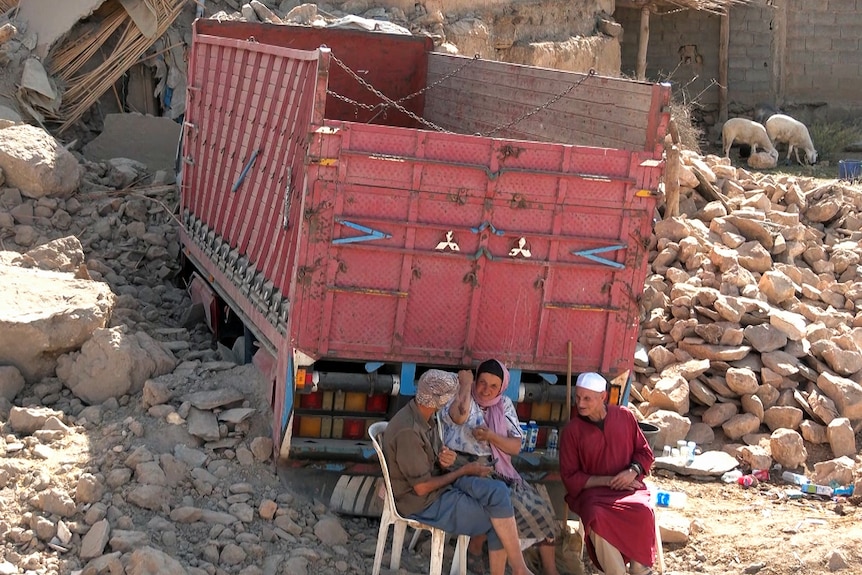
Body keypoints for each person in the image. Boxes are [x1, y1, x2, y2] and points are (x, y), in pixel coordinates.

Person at [382, 369, 536, 575]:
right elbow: (421, 488)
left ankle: (519, 569)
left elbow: (430, 459)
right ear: (440, 399)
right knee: (498, 520)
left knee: (499, 492)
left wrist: (445, 458)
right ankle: (518, 570)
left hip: (440, 482)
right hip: (422, 502)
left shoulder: (425, 415)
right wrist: (463, 470)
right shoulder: (408, 430)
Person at [442, 359, 561, 575]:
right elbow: (458, 417)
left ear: (502, 388)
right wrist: (466, 386)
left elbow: (515, 446)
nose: (486, 390)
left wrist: (491, 436)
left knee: (540, 507)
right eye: (482, 383)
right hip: (459, 467)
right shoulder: (462, 395)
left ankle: (549, 570)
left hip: (493, 469)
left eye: (493, 386)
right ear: (475, 380)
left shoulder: (503, 405)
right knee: (505, 503)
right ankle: (481, 553)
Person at [559, 372, 657, 575]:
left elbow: (645, 452)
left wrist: (633, 470)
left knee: (643, 510)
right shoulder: (571, 431)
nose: (580, 403)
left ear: (603, 397)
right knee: (597, 517)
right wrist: (608, 481)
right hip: (593, 494)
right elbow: (569, 476)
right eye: (578, 397)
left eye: (587, 398)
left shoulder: (625, 416)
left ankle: (640, 569)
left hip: (629, 489)